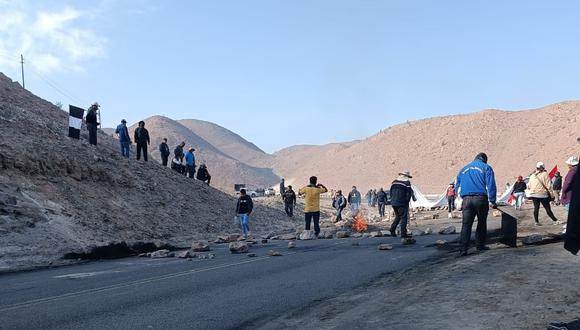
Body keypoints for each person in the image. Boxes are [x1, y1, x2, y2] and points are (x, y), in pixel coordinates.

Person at [456, 153, 497, 256]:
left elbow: (457, 184)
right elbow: (491, 185)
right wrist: (492, 200)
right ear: (484, 160)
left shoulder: (464, 169)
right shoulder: (486, 168)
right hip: (480, 198)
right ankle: (480, 245)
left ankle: (463, 249)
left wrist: (460, 196)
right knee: (481, 222)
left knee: (466, 224)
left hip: (466, 199)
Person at [389, 171, 417, 238]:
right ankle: (403, 233)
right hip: (402, 202)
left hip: (393, 202)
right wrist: (407, 202)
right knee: (404, 218)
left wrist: (392, 200)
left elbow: (391, 192)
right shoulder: (406, 183)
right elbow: (408, 193)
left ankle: (392, 229)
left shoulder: (394, 182)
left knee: (398, 216)